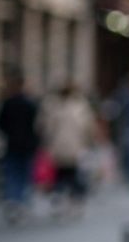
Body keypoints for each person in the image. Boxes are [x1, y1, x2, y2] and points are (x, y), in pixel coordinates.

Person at [38, 83, 95, 218]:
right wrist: (88, 143)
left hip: (57, 148)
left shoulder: (52, 107)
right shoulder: (80, 107)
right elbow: (87, 128)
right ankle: (75, 201)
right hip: (75, 148)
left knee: (60, 174)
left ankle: (58, 199)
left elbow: (46, 128)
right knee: (74, 174)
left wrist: (47, 144)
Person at [0, 68, 39, 224]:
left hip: (12, 144)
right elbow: (38, 125)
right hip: (26, 144)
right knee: (24, 174)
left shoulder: (8, 102)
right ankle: (20, 201)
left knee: (12, 173)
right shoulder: (30, 103)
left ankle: (13, 200)